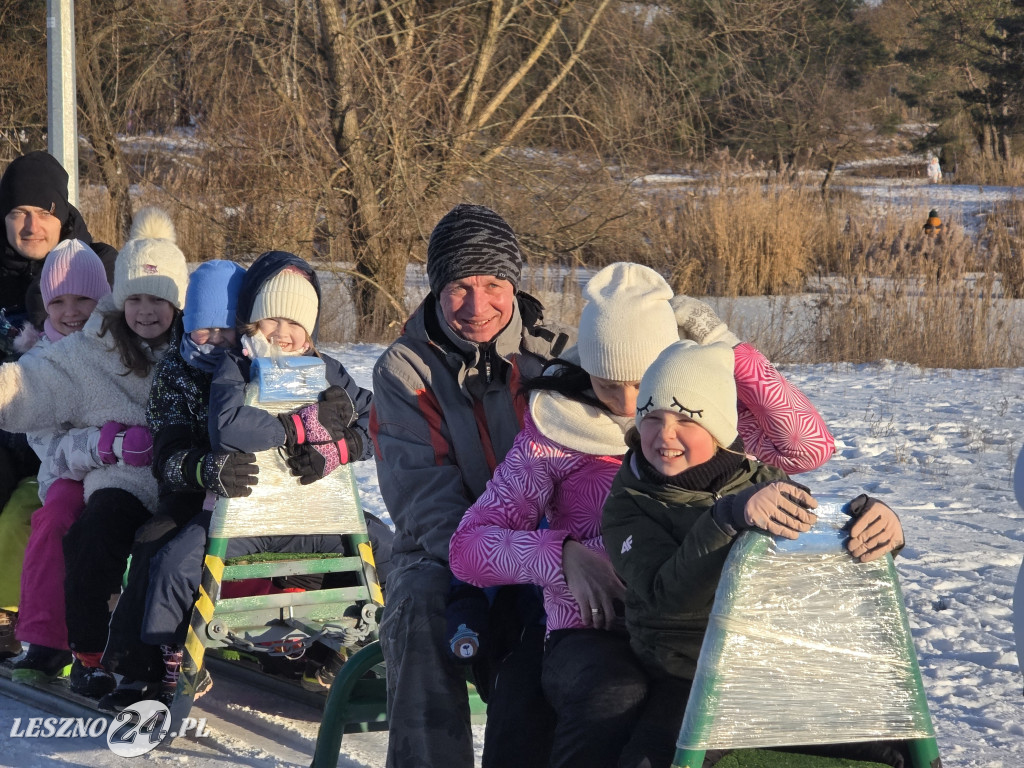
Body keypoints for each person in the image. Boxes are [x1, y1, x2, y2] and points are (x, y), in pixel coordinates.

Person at [448, 263, 840, 767]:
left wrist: (725, 348)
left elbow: (809, 446)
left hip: (697, 629)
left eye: (643, 383)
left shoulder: (698, 421)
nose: (630, 405)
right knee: (613, 692)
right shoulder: (554, 436)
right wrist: (561, 555)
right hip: (595, 629)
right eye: (609, 384)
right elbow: (468, 547)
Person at [602, 341, 909, 768]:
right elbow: (666, 598)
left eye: (686, 419)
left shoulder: (763, 479)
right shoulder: (628, 501)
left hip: (773, 672)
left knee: (901, 753)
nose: (664, 434)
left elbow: (819, 564)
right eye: (651, 417)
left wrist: (882, 533)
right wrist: (726, 520)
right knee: (649, 761)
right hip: (687, 677)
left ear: (719, 427)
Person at [371, 203, 573, 768]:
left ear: (514, 284)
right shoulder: (404, 370)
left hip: (554, 544)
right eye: (460, 285)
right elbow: (423, 497)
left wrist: (544, 559)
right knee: (419, 607)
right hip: (443, 550)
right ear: (437, 288)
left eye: (492, 283)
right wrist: (496, 564)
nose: (477, 305)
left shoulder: (556, 358)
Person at [134, 250, 375, 703]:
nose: (282, 334)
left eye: (295, 323)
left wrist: (347, 446)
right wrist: (298, 428)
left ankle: (349, 650)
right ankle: (172, 651)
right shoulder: (236, 366)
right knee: (174, 562)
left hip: (314, 517)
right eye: (271, 321)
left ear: (312, 329)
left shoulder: (328, 372)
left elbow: (377, 417)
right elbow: (227, 427)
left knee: (387, 549)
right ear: (251, 323)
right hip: (242, 518)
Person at [0, 207, 189, 697]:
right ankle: (85, 649)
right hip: (116, 477)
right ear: (119, 301)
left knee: (172, 542)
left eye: (159, 300)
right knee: (87, 529)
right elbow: (33, 386)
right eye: (135, 300)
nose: (146, 311)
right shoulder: (88, 350)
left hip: (184, 476)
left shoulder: (193, 348)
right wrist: (107, 446)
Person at [98, 259, 248, 710]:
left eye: (227, 328)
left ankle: (328, 645)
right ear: (189, 324)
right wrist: (202, 468)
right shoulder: (177, 374)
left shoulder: (256, 366)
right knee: (155, 541)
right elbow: (166, 454)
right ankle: (136, 665)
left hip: (256, 493)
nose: (217, 339)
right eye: (206, 329)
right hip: (192, 489)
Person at [0, 151, 118, 655]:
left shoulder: (99, 270)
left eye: (44, 212)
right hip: (20, 428)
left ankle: (22, 612)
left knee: (43, 507)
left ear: (64, 213)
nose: (31, 225)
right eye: (17, 213)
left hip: (93, 438)